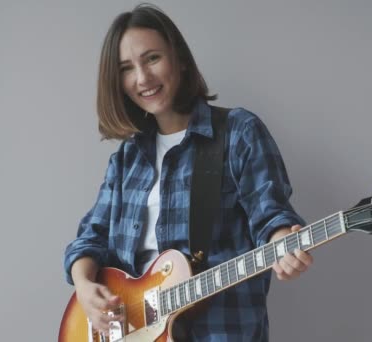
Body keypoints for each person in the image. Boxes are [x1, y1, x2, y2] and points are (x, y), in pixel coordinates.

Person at [64, 3, 313, 340]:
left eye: (152, 58)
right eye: (126, 68)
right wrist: (83, 286)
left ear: (179, 58)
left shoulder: (238, 131)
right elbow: (90, 239)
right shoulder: (128, 159)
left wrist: (284, 245)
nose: (143, 78)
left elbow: (270, 214)